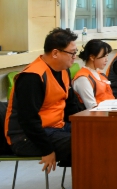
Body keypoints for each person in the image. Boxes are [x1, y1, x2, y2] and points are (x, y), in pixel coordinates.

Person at [4, 28, 82, 173]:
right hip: (26, 137)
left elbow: (71, 105)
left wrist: (84, 125)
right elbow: (28, 120)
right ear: (55, 53)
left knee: (97, 134)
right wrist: (47, 149)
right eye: (72, 53)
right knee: (86, 143)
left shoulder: (63, 70)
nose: (75, 57)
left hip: (57, 127)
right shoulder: (32, 77)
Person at [72, 39, 115, 110]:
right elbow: (92, 107)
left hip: (111, 110)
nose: (106, 59)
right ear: (92, 57)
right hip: (99, 114)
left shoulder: (100, 73)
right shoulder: (83, 78)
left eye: (107, 55)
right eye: (104, 56)